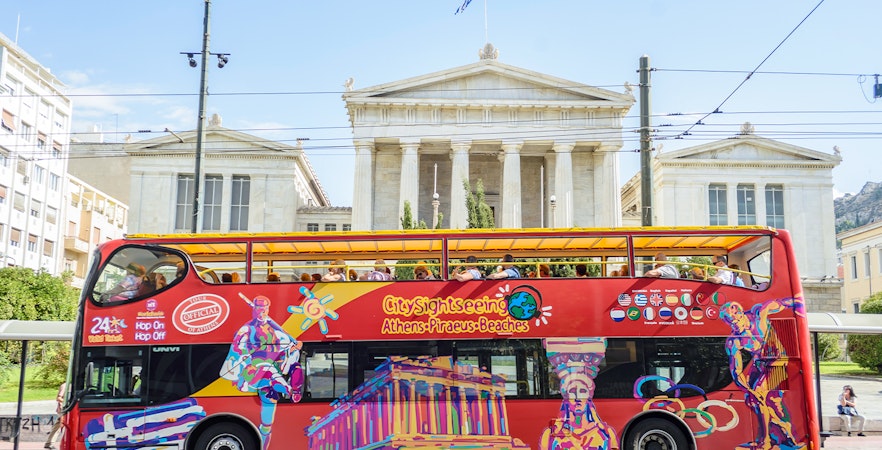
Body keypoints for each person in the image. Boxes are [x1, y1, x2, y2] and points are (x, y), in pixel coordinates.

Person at [44, 382, 66, 449]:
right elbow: (59, 398)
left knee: (57, 427)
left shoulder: (71, 385)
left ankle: (49, 443)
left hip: (65, 409)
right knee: (59, 427)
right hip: (64, 409)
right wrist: (67, 403)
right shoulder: (65, 385)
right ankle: (50, 443)